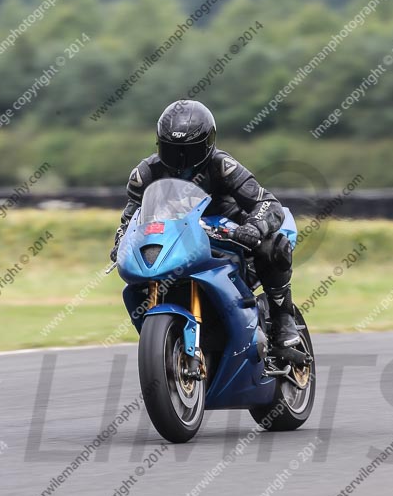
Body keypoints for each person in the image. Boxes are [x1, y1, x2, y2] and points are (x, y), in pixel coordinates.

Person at [110, 99, 300, 348]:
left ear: (208, 144)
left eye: (188, 151)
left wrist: (253, 228)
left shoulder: (223, 166)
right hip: (178, 241)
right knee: (138, 280)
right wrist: (121, 241)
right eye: (173, 150)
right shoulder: (146, 173)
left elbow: (267, 202)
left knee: (272, 246)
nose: (181, 159)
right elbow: (131, 217)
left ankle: (282, 317)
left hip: (229, 235)